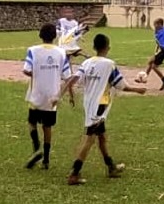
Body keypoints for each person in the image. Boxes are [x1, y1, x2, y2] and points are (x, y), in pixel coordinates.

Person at [62, 34, 146, 185]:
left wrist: (65, 93)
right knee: (89, 139)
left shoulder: (87, 63)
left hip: (89, 104)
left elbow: (75, 79)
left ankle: (111, 167)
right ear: (108, 47)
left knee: (102, 137)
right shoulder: (109, 64)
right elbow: (121, 85)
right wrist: (138, 90)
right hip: (100, 106)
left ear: (94, 47)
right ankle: (74, 174)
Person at [22, 23, 73, 170]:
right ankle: (46, 160)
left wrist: (39, 73)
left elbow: (26, 70)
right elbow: (67, 76)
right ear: (55, 36)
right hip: (53, 95)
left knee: (32, 122)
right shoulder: (61, 53)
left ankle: (36, 147)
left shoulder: (33, 50)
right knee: (47, 126)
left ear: (40, 35)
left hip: (37, 92)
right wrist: (70, 94)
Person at [135, 18, 164, 91]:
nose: (154, 26)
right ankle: (144, 77)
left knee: (154, 66)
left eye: (156, 24)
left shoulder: (158, 33)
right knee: (150, 61)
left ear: (160, 24)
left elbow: (158, 43)